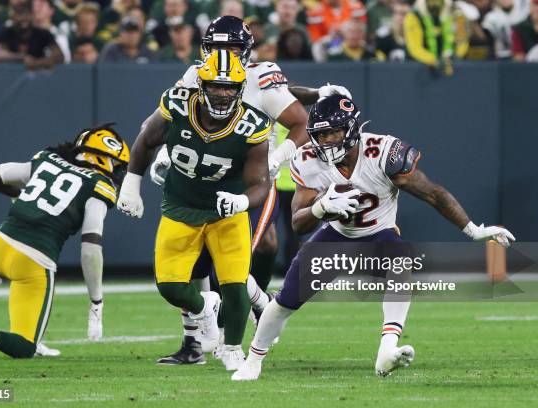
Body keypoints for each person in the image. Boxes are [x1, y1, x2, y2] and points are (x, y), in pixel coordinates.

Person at [232, 95, 515, 380]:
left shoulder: (383, 152)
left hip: (378, 236)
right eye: (321, 134)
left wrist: (473, 230)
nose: (327, 140)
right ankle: (253, 360)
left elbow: (433, 194)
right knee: (284, 302)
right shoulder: (308, 160)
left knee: (401, 261)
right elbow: (297, 223)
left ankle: (387, 349)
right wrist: (321, 207)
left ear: (352, 129)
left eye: (334, 132)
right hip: (337, 237)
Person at [146, 15, 350, 366]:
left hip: (249, 178)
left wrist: (281, 154)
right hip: (203, 176)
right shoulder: (197, 75)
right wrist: (167, 151)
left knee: (252, 250)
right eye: (219, 48)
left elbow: (276, 99)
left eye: (233, 48)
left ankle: (254, 307)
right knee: (193, 264)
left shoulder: (262, 74)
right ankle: (197, 341)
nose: (225, 55)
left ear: (246, 50)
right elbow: (178, 117)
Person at [117, 49, 272, 372]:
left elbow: (260, 181)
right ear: (201, 84)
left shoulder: (251, 124)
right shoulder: (177, 104)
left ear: (241, 89)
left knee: (234, 283)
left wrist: (242, 201)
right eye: (215, 85)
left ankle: (232, 348)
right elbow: (146, 141)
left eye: (230, 87)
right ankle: (204, 307)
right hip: (181, 205)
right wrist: (132, 183)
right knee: (169, 285)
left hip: (225, 211)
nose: (222, 92)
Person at [0, 124, 130, 360]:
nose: (118, 171)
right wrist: (96, 302)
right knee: (24, 348)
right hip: (32, 260)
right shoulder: (99, 187)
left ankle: (34, 336)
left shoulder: (47, 160)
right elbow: (90, 250)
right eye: (118, 164)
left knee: (30, 322)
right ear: (104, 158)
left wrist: (21, 196)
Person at [0, 1, 64, 69]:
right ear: (13, 17)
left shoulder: (43, 33)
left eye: (27, 14)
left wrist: (39, 62)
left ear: (33, 16)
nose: (24, 18)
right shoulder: (6, 32)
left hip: (39, 74)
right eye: (19, 14)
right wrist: (21, 58)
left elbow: (59, 55)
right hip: (11, 75)